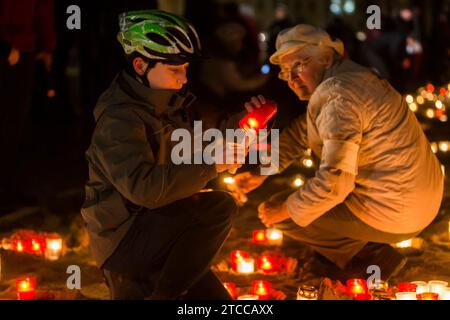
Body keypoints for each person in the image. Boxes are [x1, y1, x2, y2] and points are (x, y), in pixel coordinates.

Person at [234, 24, 444, 281]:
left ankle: (371, 256)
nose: (292, 78)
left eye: (299, 64)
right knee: (301, 199)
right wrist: (260, 172)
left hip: (396, 210)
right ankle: (352, 246)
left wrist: (284, 210)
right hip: (421, 200)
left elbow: (334, 182)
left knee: (278, 210)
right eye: (286, 71)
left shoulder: (338, 97)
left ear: (326, 57)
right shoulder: (352, 77)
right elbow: (302, 133)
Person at [81, 10, 252, 300]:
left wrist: (245, 123)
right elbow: (145, 189)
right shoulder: (120, 120)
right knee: (218, 206)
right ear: (140, 65)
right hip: (124, 240)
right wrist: (212, 164)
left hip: (159, 229)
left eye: (185, 68)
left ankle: (165, 288)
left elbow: (205, 135)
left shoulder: (170, 107)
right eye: (175, 69)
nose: (184, 79)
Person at [0, 0, 56, 211]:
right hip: (11, 47)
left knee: (15, 124)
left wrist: (46, 46)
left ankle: (8, 187)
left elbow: (43, 9)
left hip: (23, 49)